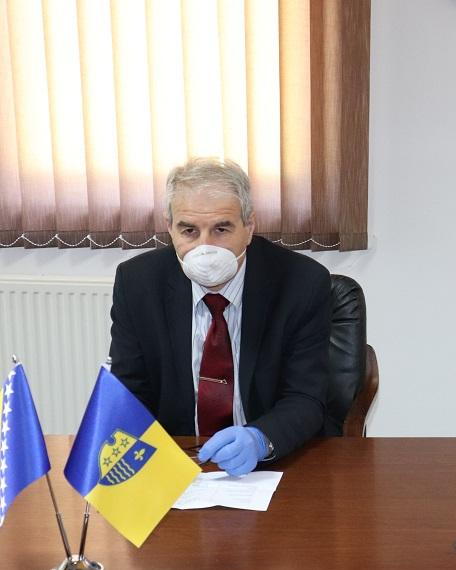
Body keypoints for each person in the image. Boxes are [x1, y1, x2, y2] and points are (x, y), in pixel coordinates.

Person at [109, 158, 332, 476]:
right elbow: (128, 392)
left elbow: (306, 396)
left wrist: (260, 439)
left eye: (221, 229)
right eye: (189, 230)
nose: (205, 247)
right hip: (177, 462)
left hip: (274, 464)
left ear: (249, 226)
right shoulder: (137, 283)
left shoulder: (302, 283)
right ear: (170, 228)